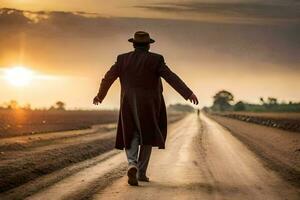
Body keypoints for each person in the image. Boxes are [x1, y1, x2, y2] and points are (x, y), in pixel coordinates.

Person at [93, 31, 198, 186]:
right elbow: (171, 77)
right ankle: (141, 172)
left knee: (131, 134)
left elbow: (108, 77)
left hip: (128, 102)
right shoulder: (156, 59)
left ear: (134, 44)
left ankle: (132, 164)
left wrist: (100, 96)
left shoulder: (122, 59)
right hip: (150, 105)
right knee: (147, 136)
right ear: (148, 45)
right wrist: (187, 93)